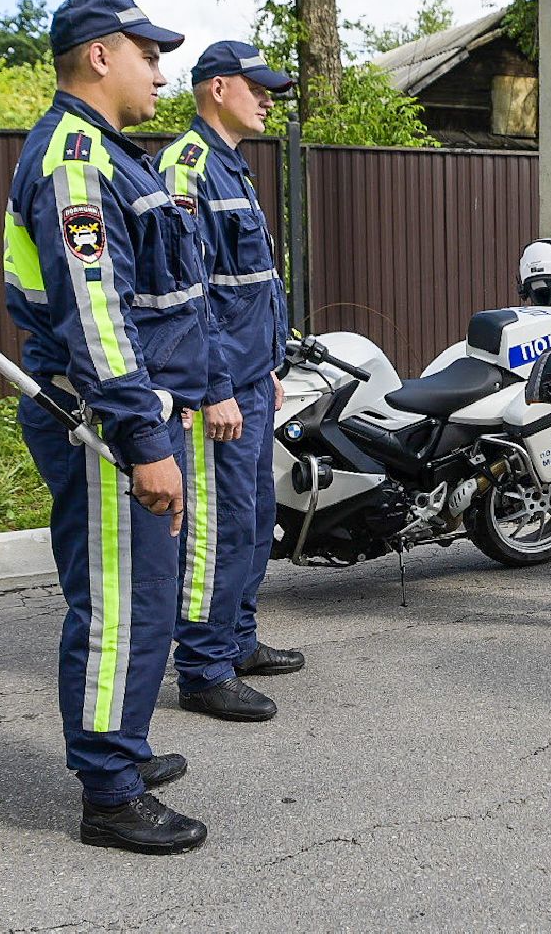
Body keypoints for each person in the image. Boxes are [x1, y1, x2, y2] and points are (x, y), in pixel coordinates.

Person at [3, 0, 208, 853]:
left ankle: (120, 743)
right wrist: (141, 438)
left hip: (127, 413)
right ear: (99, 55)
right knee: (120, 605)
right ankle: (109, 793)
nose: (160, 72)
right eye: (147, 54)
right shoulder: (79, 160)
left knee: (142, 597)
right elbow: (97, 317)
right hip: (103, 421)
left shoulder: (106, 156)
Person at [159, 41, 301, 724]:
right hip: (216, 388)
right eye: (256, 87)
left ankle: (237, 640)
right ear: (217, 88)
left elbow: (244, 289)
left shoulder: (230, 167)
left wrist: (267, 367)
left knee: (254, 521)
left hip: (249, 378)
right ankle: (202, 668)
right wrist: (213, 386)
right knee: (217, 529)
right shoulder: (186, 169)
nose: (267, 98)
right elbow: (188, 296)